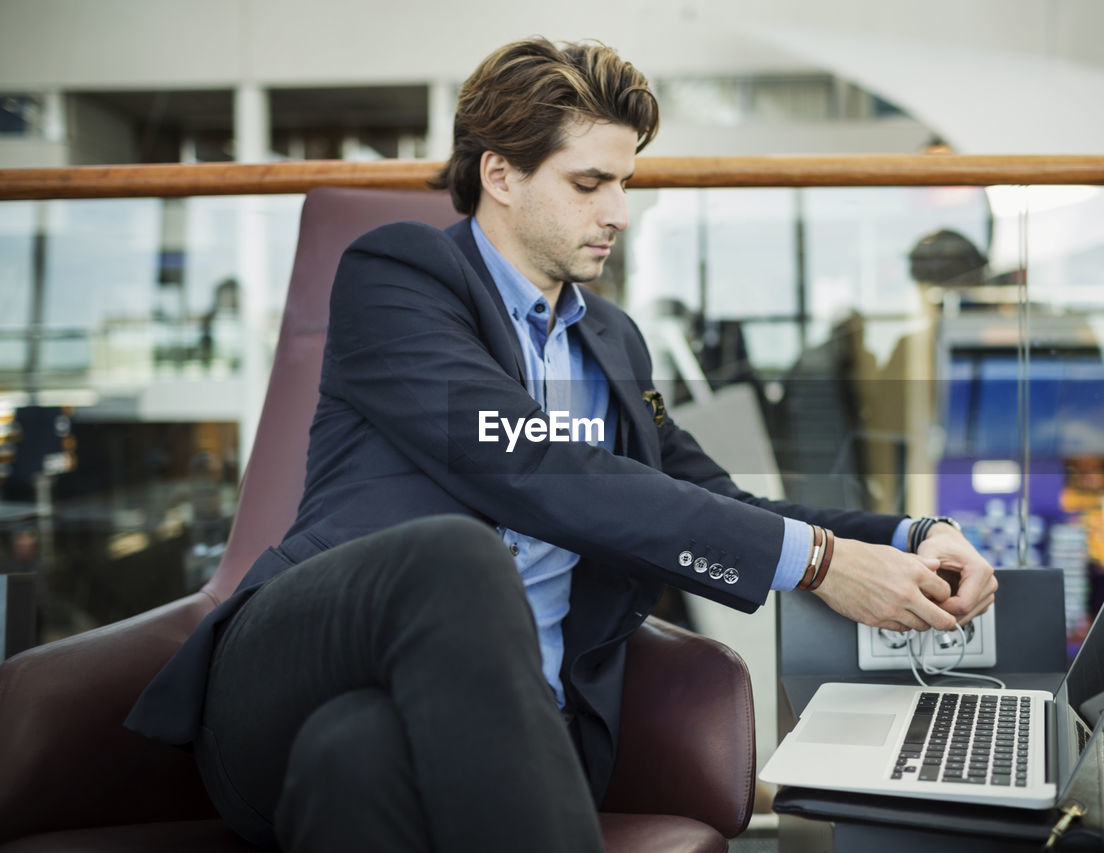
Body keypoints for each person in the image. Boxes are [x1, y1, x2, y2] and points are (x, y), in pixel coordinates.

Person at [125, 37, 997, 852]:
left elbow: (718, 502)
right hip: (293, 675)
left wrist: (901, 538)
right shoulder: (398, 278)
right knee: (456, 557)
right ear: (499, 174)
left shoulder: (612, 343)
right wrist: (814, 563)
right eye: (589, 184)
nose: (619, 211)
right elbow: (531, 464)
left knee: (353, 756)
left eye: (626, 182)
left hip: (521, 731)